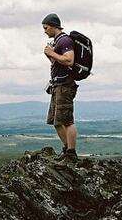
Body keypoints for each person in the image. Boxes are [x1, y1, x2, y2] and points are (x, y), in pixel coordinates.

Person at [42, 13, 79, 163]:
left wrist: (51, 53)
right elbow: (58, 62)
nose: (44, 31)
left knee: (67, 121)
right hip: (57, 85)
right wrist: (50, 55)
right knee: (56, 121)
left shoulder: (64, 40)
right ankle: (66, 149)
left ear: (53, 26)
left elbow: (69, 60)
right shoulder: (58, 41)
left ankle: (71, 153)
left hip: (65, 85)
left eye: (46, 27)